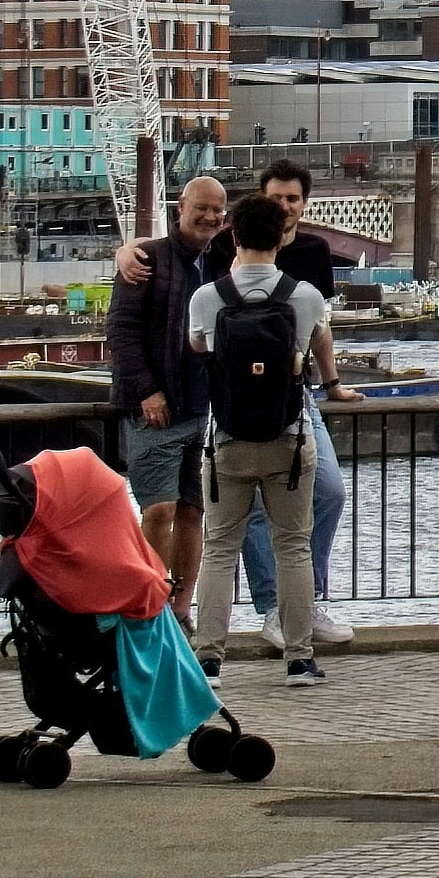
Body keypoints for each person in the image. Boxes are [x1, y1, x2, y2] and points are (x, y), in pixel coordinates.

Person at [185, 191, 333, 681]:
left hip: (227, 439)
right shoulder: (305, 296)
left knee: (220, 547)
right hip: (289, 440)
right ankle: (299, 658)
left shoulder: (208, 297)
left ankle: (209, 657)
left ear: (234, 237)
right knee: (293, 547)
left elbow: (197, 346)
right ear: (281, 237)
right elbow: (315, 342)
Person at [110, 174, 234, 603]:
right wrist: (147, 391)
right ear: (180, 208)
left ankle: (181, 607)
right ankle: (151, 603)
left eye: (217, 210)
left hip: (200, 408)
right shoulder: (147, 260)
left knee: (193, 512)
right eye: (201, 207)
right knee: (158, 509)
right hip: (154, 409)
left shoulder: (221, 259)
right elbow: (122, 331)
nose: (209, 216)